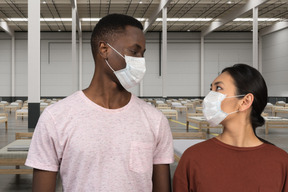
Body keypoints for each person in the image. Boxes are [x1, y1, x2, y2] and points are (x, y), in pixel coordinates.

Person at [25, 14, 174, 192]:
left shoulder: (155, 121)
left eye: (143, 54)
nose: (140, 60)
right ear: (104, 49)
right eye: (134, 52)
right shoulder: (56, 118)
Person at [173, 64, 288, 192]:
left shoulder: (280, 162)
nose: (209, 97)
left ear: (245, 101)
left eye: (218, 88)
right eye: (211, 89)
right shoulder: (193, 158)